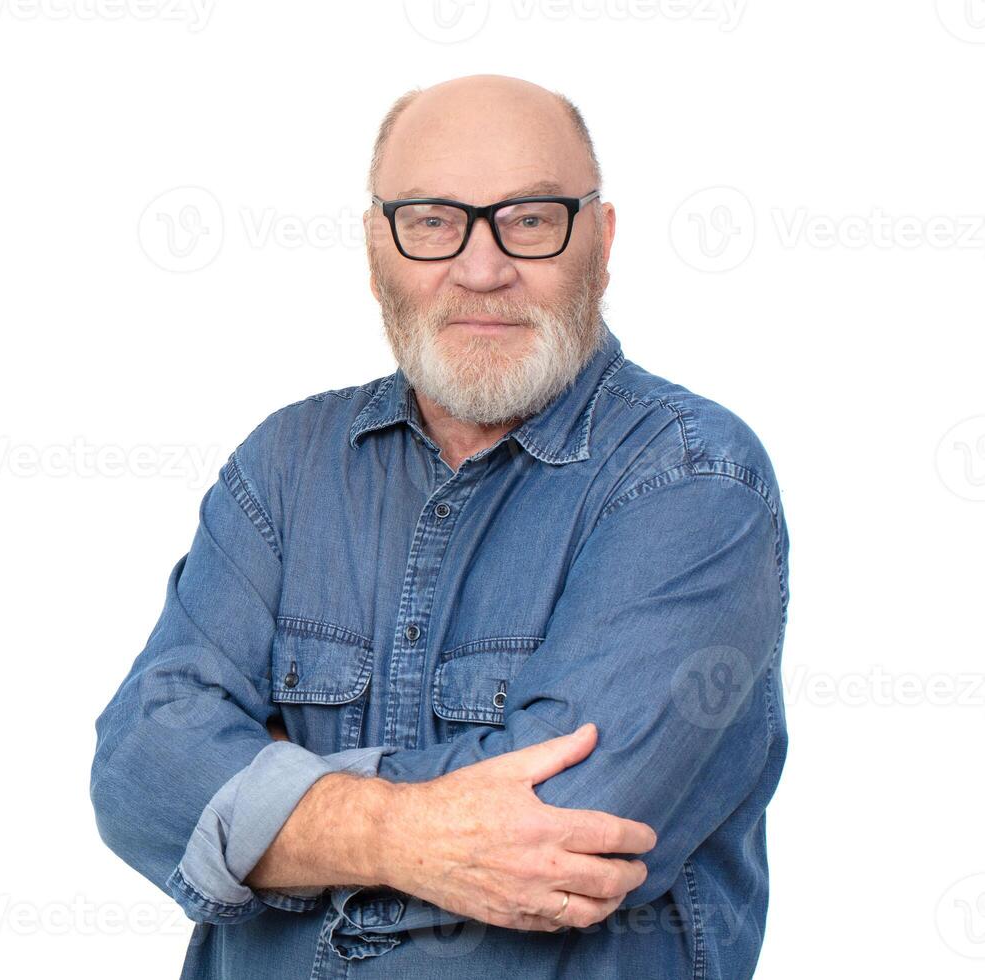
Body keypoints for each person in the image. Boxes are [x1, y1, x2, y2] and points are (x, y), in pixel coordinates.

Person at [90, 73, 790, 979]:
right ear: (377, 246)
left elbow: (569, 830)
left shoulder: (692, 479)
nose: (482, 266)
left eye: (531, 219)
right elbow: (140, 771)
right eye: (431, 220)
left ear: (603, 242)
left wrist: (269, 796)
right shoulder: (285, 465)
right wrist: (400, 834)